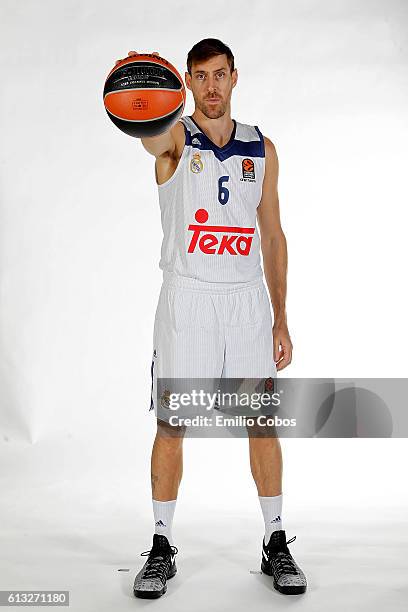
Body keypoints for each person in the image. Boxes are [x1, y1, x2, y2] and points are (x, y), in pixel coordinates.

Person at [119, 38, 307, 598]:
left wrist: (281, 319)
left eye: (220, 74)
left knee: (262, 423)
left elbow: (273, 235)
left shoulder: (261, 148)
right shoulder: (176, 137)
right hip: (189, 299)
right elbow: (152, 137)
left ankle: (275, 538)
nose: (212, 86)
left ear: (234, 77)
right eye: (200, 77)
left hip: (247, 300)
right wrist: (140, 96)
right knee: (173, 425)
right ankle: (159, 544)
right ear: (187, 81)